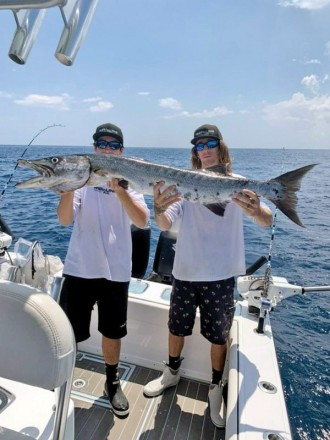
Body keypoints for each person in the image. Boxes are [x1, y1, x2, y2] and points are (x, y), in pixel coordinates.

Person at [143, 124, 272, 428]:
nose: (204, 149)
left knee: (218, 336)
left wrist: (255, 211)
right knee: (176, 328)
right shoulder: (183, 185)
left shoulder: (238, 184)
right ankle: (171, 372)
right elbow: (164, 223)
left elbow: (266, 220)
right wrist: (157, 207)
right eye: (199, 146)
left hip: (221, 276)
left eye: (210, 142)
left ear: (220, 147)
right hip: (185, 272)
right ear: (195, 153)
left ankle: (215, 388)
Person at [58, 123, 150, 417]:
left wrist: (121, 191)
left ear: (121, 151)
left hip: (116, 271)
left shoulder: (130, 179)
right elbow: (64, 220)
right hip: (80, 267)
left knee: (113, 332)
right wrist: (67, 190)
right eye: (102, 144)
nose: (107, 149)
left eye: (113, 145)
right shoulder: (82, 179)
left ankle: (112, 382)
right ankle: (61, 380)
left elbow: (143, 220)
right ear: (94, 148)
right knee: (70, 331)